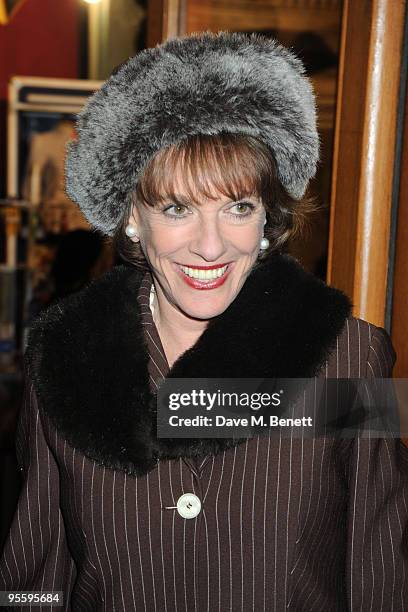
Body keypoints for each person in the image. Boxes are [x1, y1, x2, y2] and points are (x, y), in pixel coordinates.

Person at [1, 31, 407, 611]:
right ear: (133, 218)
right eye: (177, 208)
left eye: (237, 207)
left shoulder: (349, 358)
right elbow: (33, 578)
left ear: (268, 218)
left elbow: (383, 569)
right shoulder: (67, 360)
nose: (211, 245)